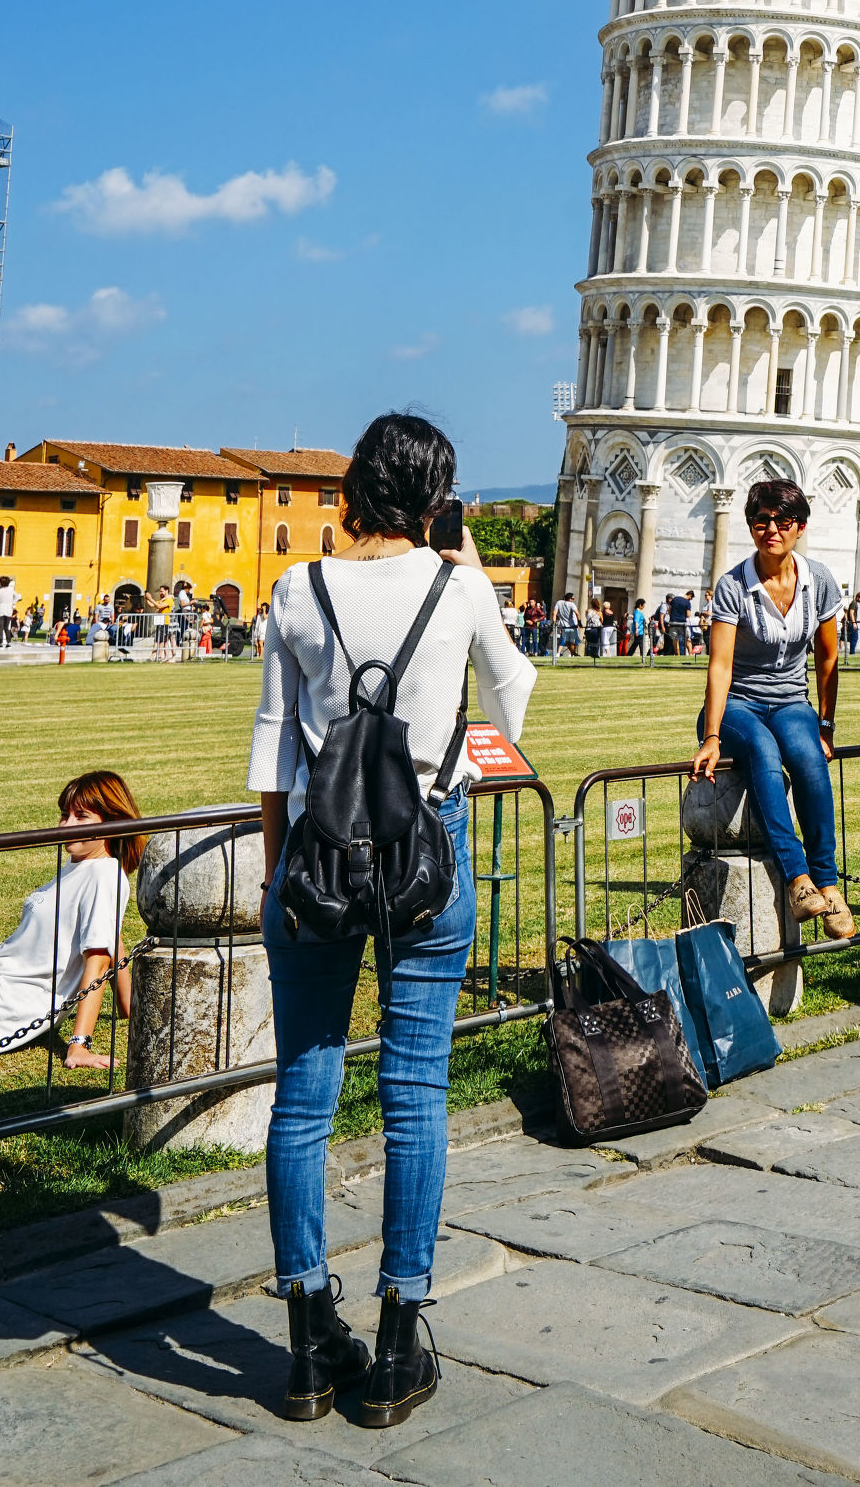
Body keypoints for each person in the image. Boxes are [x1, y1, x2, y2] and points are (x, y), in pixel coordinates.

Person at [252, 412, 536, 1430]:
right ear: (433, 498)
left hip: (317, 853)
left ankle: (307, 1342)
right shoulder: (459, 584)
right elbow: (514, 699)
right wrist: (461, 571)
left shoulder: (298, 587)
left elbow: (273, 753)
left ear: (352, 489)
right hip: (426, 847)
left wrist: (280, 866)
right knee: (414, 1092)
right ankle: (399, 1333)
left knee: (304, 1096)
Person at [692, 477, 853, 938]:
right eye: (761, 522)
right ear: (750, 527)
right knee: (762, 750)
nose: (772, 530)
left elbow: (827, 658)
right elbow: (720, 666)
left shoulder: (817, 579)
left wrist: (826, 725)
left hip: (789, 701)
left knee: (806, 757)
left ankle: (829, 882)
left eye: (783, 521)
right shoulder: (733, 585)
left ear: (800, 527)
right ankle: (799, 881)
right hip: (737, 705)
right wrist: (712, 736)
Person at [0, 770, 143, 1067]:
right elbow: (110, 941)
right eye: (64, 814)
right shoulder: (80, 868)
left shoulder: (104, 873)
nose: (67, 825)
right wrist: (128, 1004)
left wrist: (78, 1045)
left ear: (111, 824)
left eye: (81, 816)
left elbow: (97, 960)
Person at [666, 587, 691, 656]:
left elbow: (669, 610)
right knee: (687, 639)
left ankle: (678, 655)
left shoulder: (673, 600)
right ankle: (691, 654)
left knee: (675, 640)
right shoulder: (687, 602)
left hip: (673, 622)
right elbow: (688, 615)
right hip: (683, 623)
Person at [0, 576, 16, 647]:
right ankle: (8, 642)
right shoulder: (11, 590)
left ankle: (0, 643)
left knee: (0, 628)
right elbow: (18, 596)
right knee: (6, 627)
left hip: (0, 610)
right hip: (8, 610)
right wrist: (13, 602)